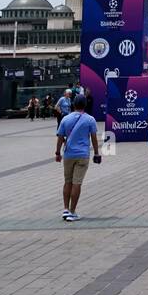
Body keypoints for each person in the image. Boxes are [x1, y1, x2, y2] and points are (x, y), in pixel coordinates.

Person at [54, 94, 101, 222]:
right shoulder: (90, 119)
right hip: (82, 155)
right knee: (77, 183)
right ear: (85, 105)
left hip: (68, 154)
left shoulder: (65, 119)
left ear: (73, 104)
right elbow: (94, 139)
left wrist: (58, 153)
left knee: (67, 181)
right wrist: (96, 153)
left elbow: (59, 138)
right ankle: (72, 212)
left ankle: (65, 209)